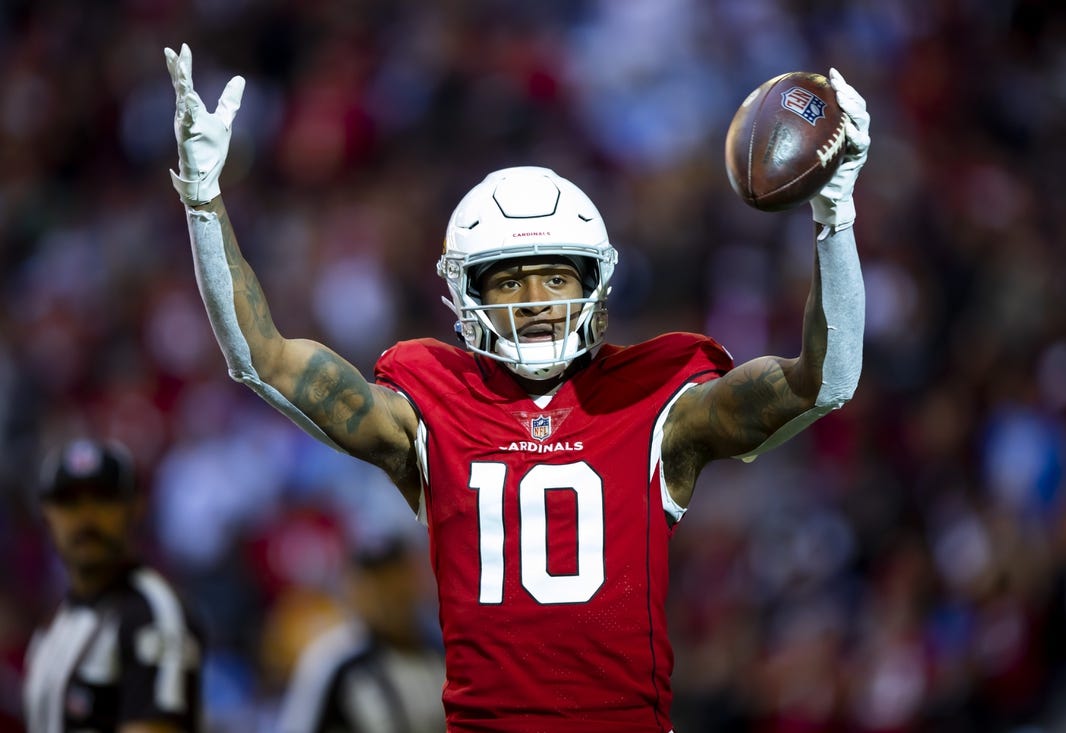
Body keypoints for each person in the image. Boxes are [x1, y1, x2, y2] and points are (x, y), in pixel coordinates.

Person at [165, 41, 869, 732]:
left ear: (594, 283)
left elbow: (824, 384)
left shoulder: (657, 401)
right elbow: (265, 360)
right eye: (508, 280)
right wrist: (205, 203)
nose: (534, 299)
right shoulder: (430, 402)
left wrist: (834, 220)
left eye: (557, 277)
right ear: (467, 292)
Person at [22, 438, 205, 733]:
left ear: (136, 507)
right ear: (46, 514)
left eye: (103, 498)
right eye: (69, 501)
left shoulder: (152, 615)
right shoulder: (58, 622)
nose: (86, 516)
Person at [278, 535, 446, 733]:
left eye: (394, 579)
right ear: (354, 592)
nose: (387, 595)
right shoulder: (333, 661)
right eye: (375, 585)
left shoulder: (440, 651)